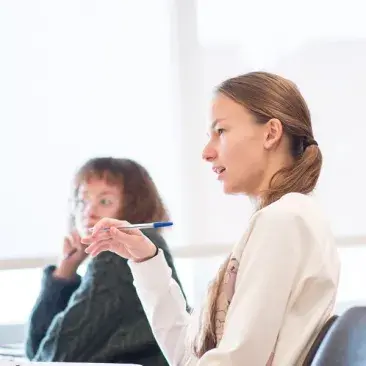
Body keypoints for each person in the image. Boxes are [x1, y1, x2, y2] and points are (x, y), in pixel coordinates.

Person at [82, 72, 340, 365]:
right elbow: (187, 355)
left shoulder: (284, 221)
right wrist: (146, 260)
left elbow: (239, 361)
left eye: (221, 131)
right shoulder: (280, 219)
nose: (207, 152)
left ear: (270, 133)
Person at [26, 157, 185, 366]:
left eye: (105, 202)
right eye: (82, 201)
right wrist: (64, 274)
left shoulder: (119, 257)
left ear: (134, 209)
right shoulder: (116, 257)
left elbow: (52, 357)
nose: (88, 213)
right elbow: (37, 353)